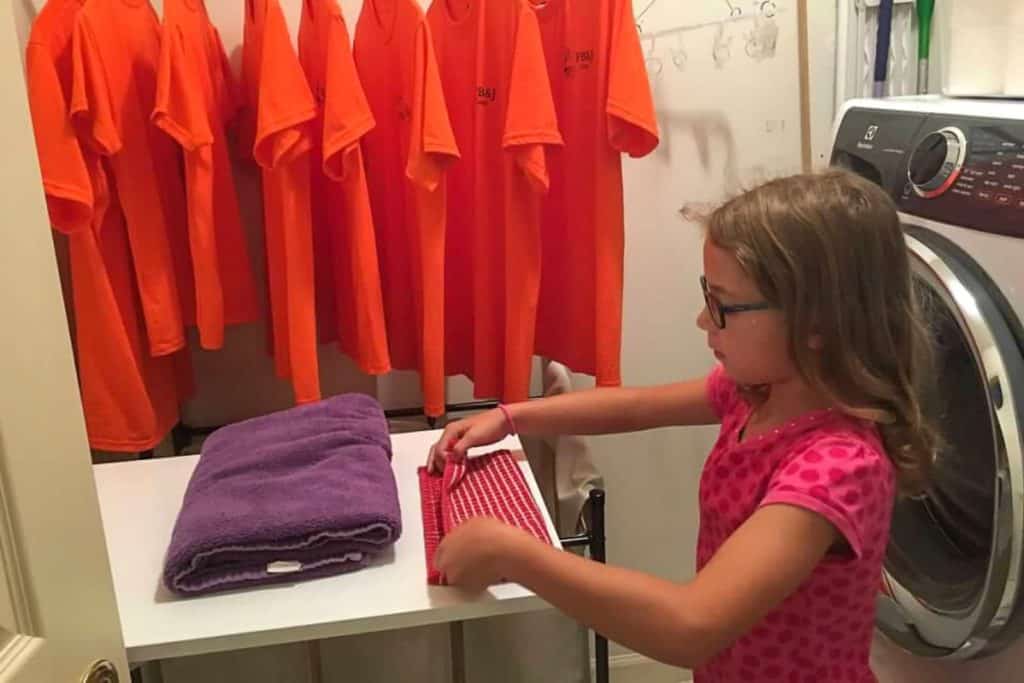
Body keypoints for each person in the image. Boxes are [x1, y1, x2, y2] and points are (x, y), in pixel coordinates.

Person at [425, 169, 936, 681]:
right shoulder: (754, 391)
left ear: (817, 324)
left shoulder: (836, 467)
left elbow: (692, 626)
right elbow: (636, 407)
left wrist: (513, 553)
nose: (702, 320)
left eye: (722, 305)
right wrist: (511, 417)